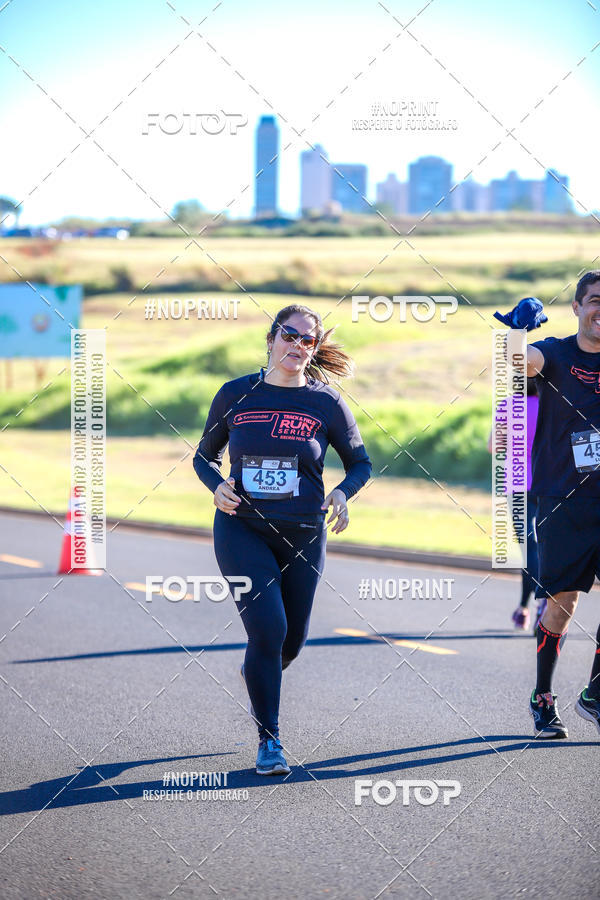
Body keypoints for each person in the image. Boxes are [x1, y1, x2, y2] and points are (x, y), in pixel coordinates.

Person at [192, 305, 372, 773]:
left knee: (290, 642)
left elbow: (361, 463)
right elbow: (203, 456)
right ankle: (269, 741)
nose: (298, 345)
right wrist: (217, 486)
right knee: (268, 630)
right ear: (271, 339)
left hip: (304, 533)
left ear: (314, 348)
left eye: (308, 340)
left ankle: (258, 670)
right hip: (242, 528)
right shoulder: (236, 393)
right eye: (289, 335)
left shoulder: (326, 402)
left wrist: (342, 493)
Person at [495, 278, 600, 738]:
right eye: (595, 301)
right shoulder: (555, 353)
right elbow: (519, 361)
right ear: (577, 307)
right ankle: (542, 696)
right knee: (562, 603)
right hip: (562, 500)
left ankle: (595, 696)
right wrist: (516, 333)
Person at [487, 378, 547, 631]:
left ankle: (533, 605)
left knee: (528, 549)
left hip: (518, 483)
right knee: (543, 548)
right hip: (549, 483)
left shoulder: (508, 405)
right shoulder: (550, 405)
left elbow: (494, 446)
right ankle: (530, 606)